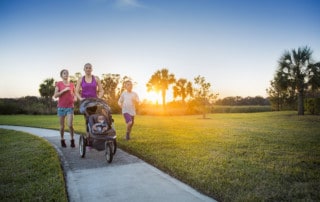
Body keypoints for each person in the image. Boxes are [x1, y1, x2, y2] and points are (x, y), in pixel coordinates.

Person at [75, 63, 104, 143]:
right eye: (86, 68)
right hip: (85, 103)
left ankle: (97, 136)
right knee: (88, 120)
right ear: (84, 69)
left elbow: (101, 90)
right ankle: (89, 138)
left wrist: (99, 97)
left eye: (89, 68)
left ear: (92, 69)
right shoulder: (81, 79)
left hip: (95, 102)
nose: (88, 69)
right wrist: (80, 98)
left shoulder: (96, 78)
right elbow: (76, 91)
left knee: (97, 118)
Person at [54, 69, 77, 148]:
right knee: (62, 126)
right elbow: (55, 95)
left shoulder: (72, 84)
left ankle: (72, 139)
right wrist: (64, 90)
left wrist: (75, 97)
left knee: (70, 125)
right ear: (61, 75)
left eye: (67, 73)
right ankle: (62, 139)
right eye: (64, 73)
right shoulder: (58, 84)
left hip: (70, 107)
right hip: (61, 108)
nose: (66, 74)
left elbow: (73, 94)